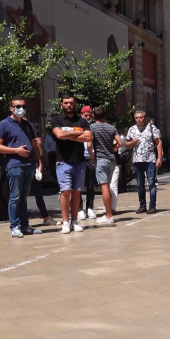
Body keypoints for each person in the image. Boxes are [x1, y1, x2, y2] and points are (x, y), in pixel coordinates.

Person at [0, 96, 42, 238]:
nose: (21, 109)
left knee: (24, 197)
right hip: (14, 165)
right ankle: (14, 227)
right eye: (18, 106)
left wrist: (39, 162)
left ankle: (25, 225)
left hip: (29, 165)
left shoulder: (27, 125)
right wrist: (17, 151)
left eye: (24, 106)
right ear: (11, 108)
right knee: (15, 197)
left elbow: (33, 144)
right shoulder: (4, 124)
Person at [48, 94, 92, 234]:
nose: (68, 105)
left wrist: (68, 134)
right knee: (65, 192)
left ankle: (75, 221)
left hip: (79, 161)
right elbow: (59, 135)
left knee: (77, 193)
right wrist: (77, 133)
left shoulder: (82, 120)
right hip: (63, 161)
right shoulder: (57, 119)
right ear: (62, 104)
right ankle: (65, 222)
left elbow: (88, 137)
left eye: (71, 103)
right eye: (66, 103)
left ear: (75, 104)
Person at [126, 111, 162, 214]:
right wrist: (132, 142)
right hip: (137, 160)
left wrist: (159, 158)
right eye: (137, 118)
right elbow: (127, 144)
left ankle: (152, 206)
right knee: (139, 184)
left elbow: (158, 143)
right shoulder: (132, 129)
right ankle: (142, 205)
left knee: (151, 183)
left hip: (150, 159)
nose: (139, 119)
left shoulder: (152, 128)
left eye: (141, 117)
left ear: (144, 118)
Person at [88, 107, 120, 224]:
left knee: (104, 187)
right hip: (112, 160)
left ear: (93, 116)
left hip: (100, 159)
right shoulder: (111, 127)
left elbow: (89, 145)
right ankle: (109, 212)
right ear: (104, 116)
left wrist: (92, 157)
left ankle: (108, 215)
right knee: (109, 187)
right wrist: (112, 149)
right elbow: (120, 143)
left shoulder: (92, 127)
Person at [79, 106, 97, 221]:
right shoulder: (77, 126)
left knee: (91, 185)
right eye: (85, 115)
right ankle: (80, 208)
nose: (87, 117)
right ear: (81, 115)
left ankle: (90, 207)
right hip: (79, 157)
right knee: (79, 185)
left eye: (89, 115)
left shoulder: (93, 127)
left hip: (91, 158)